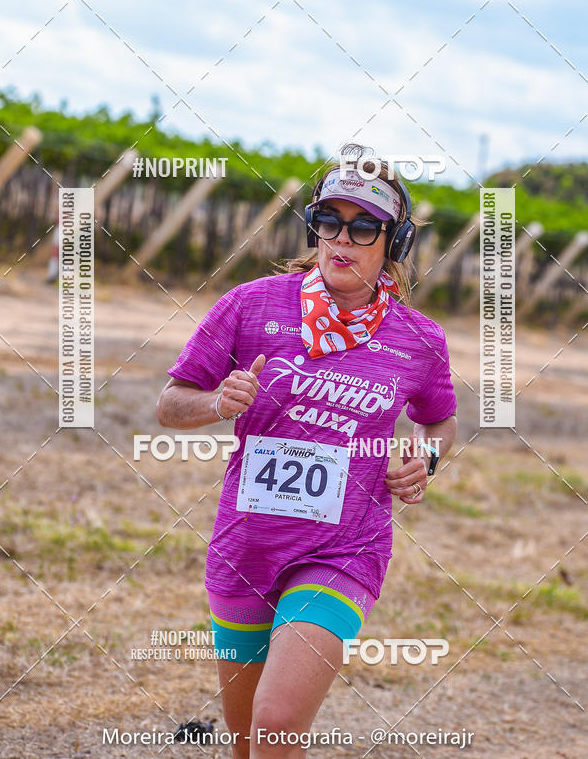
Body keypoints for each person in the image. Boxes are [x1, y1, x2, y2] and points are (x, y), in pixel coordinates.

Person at [156, 143, 458, 758]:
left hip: (345, 549)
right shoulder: (250, 305)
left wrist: (423, 460)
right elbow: (170, 403)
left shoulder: (419, 340)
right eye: (329, 222)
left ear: (393, 245)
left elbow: (439, 423)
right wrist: (218, 403)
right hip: (246, 544)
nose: (342, 239)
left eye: (365, 226)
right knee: (248, 748)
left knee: (275, 722)